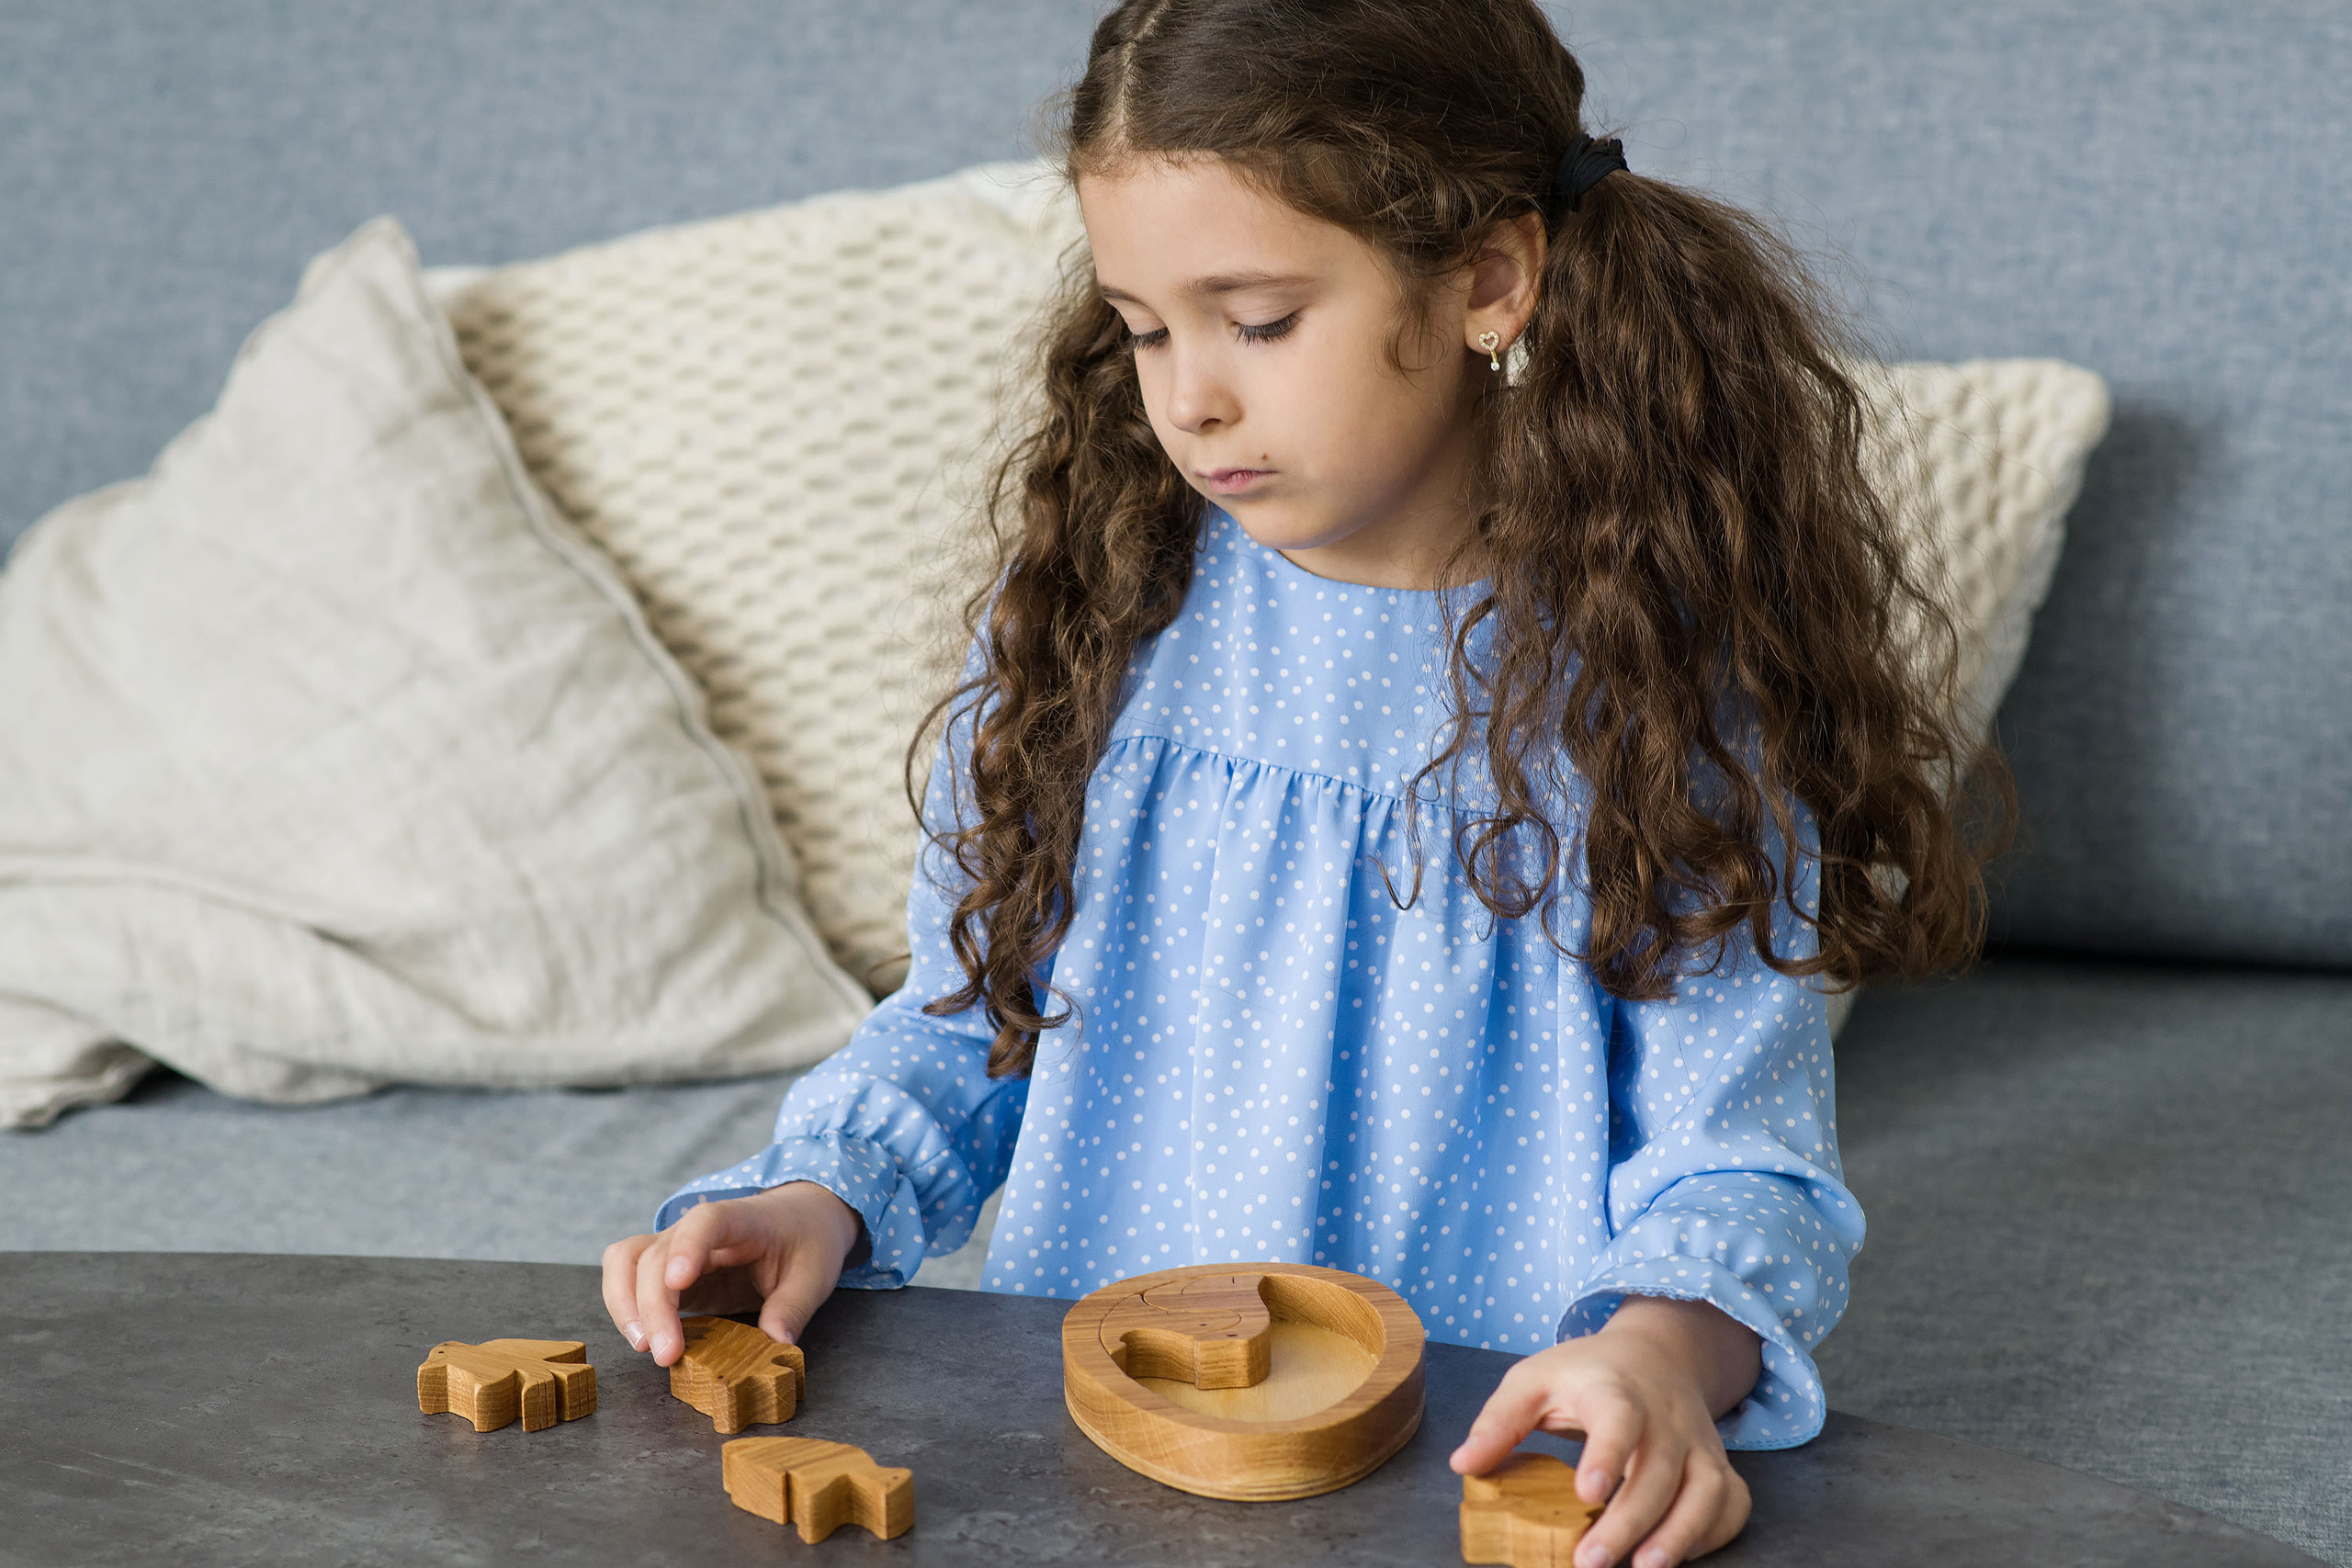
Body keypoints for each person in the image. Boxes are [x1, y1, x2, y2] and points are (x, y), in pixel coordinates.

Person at [601, 3, 2010, 1563]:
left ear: (1488, 282)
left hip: (1478, 1478)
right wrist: (821, 1198)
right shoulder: (1106, 614)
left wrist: (1660, 1357)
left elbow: (1739, 1162)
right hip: (1100, 1474)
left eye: (1258, 320)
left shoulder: (1648, 693)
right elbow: (970, 1020)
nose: (1188, 397)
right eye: (1143, 327)